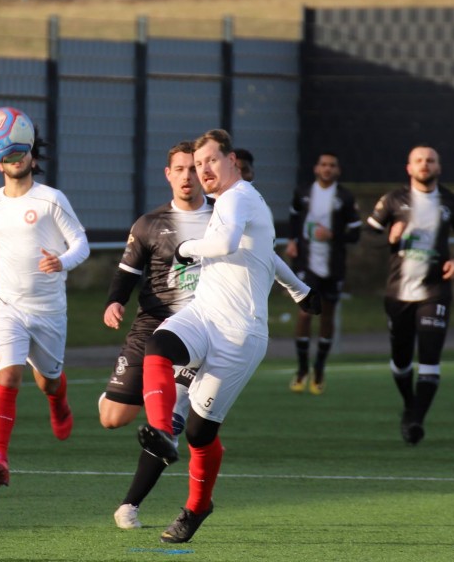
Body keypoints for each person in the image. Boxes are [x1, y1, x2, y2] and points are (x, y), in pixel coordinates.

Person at [103, 142, 311, 531]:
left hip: (239, 332)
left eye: (205, 162)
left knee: (199, 430)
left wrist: (186, 249)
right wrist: (302, 291)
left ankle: (193, 506)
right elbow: (265, 254)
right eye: (193, 165)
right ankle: (162, 433)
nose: (197, 172)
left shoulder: (233, 204)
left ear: (231, 163)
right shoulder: (164, 219)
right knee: (152, 358)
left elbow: (245, 250)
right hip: (200, 315)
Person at [0, 128, 89, 488]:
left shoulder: (51, 200)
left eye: (21, 153)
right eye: (8, 155)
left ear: (32, 159)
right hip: (6, 304)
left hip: (48, 308)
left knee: (48, 382)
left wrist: (63, 261)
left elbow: (81, 244)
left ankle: (59, 402)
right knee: (8, 377)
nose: (16, 159)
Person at [100, 142, 210, 529]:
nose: (186, 176)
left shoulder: (222, 219)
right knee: (112, 417)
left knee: (171, 422)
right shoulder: (149, 223)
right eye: (178, 169)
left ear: (203, 172)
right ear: (168, 174)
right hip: (151, 325)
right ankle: (130, 390)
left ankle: (130, 505)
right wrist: (115, 302)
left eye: (192, 169)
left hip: (196, 333)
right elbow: (127, 273)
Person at [366, 145, 454, 445]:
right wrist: (389, 236)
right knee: (401, 359)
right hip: (398, 292)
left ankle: (415, 421)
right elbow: (368, 235)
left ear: (439, 167)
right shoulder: (393, 200)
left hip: (435, 291)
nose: (424, 165)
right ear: (409, 168)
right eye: (419, 160)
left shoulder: (451, 202)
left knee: (429, 357)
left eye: (430, 160)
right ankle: (410, 403)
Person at [286, 152, 362, 395]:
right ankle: (301, 369)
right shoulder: (303, 192)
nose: (327, 169)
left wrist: (333, 236)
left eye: (332, 165)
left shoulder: (345, 198)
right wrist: (293, 240)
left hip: (333, 265)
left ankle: (319, 367)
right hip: (307, 263)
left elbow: (356, 233)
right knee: (305, 314)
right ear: (316, 168)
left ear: (337, 171)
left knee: (327, 315)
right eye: (323, 164)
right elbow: (295, 217)